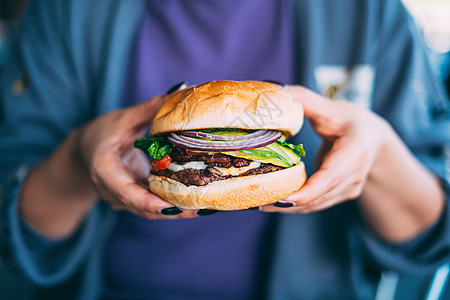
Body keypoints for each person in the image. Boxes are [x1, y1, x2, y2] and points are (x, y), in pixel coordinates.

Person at [0, 0, 449, 299]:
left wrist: (380, 152)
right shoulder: (66, 11)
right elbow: (15, 236)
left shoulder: (372, 12)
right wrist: (79, 157)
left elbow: (430, 240)